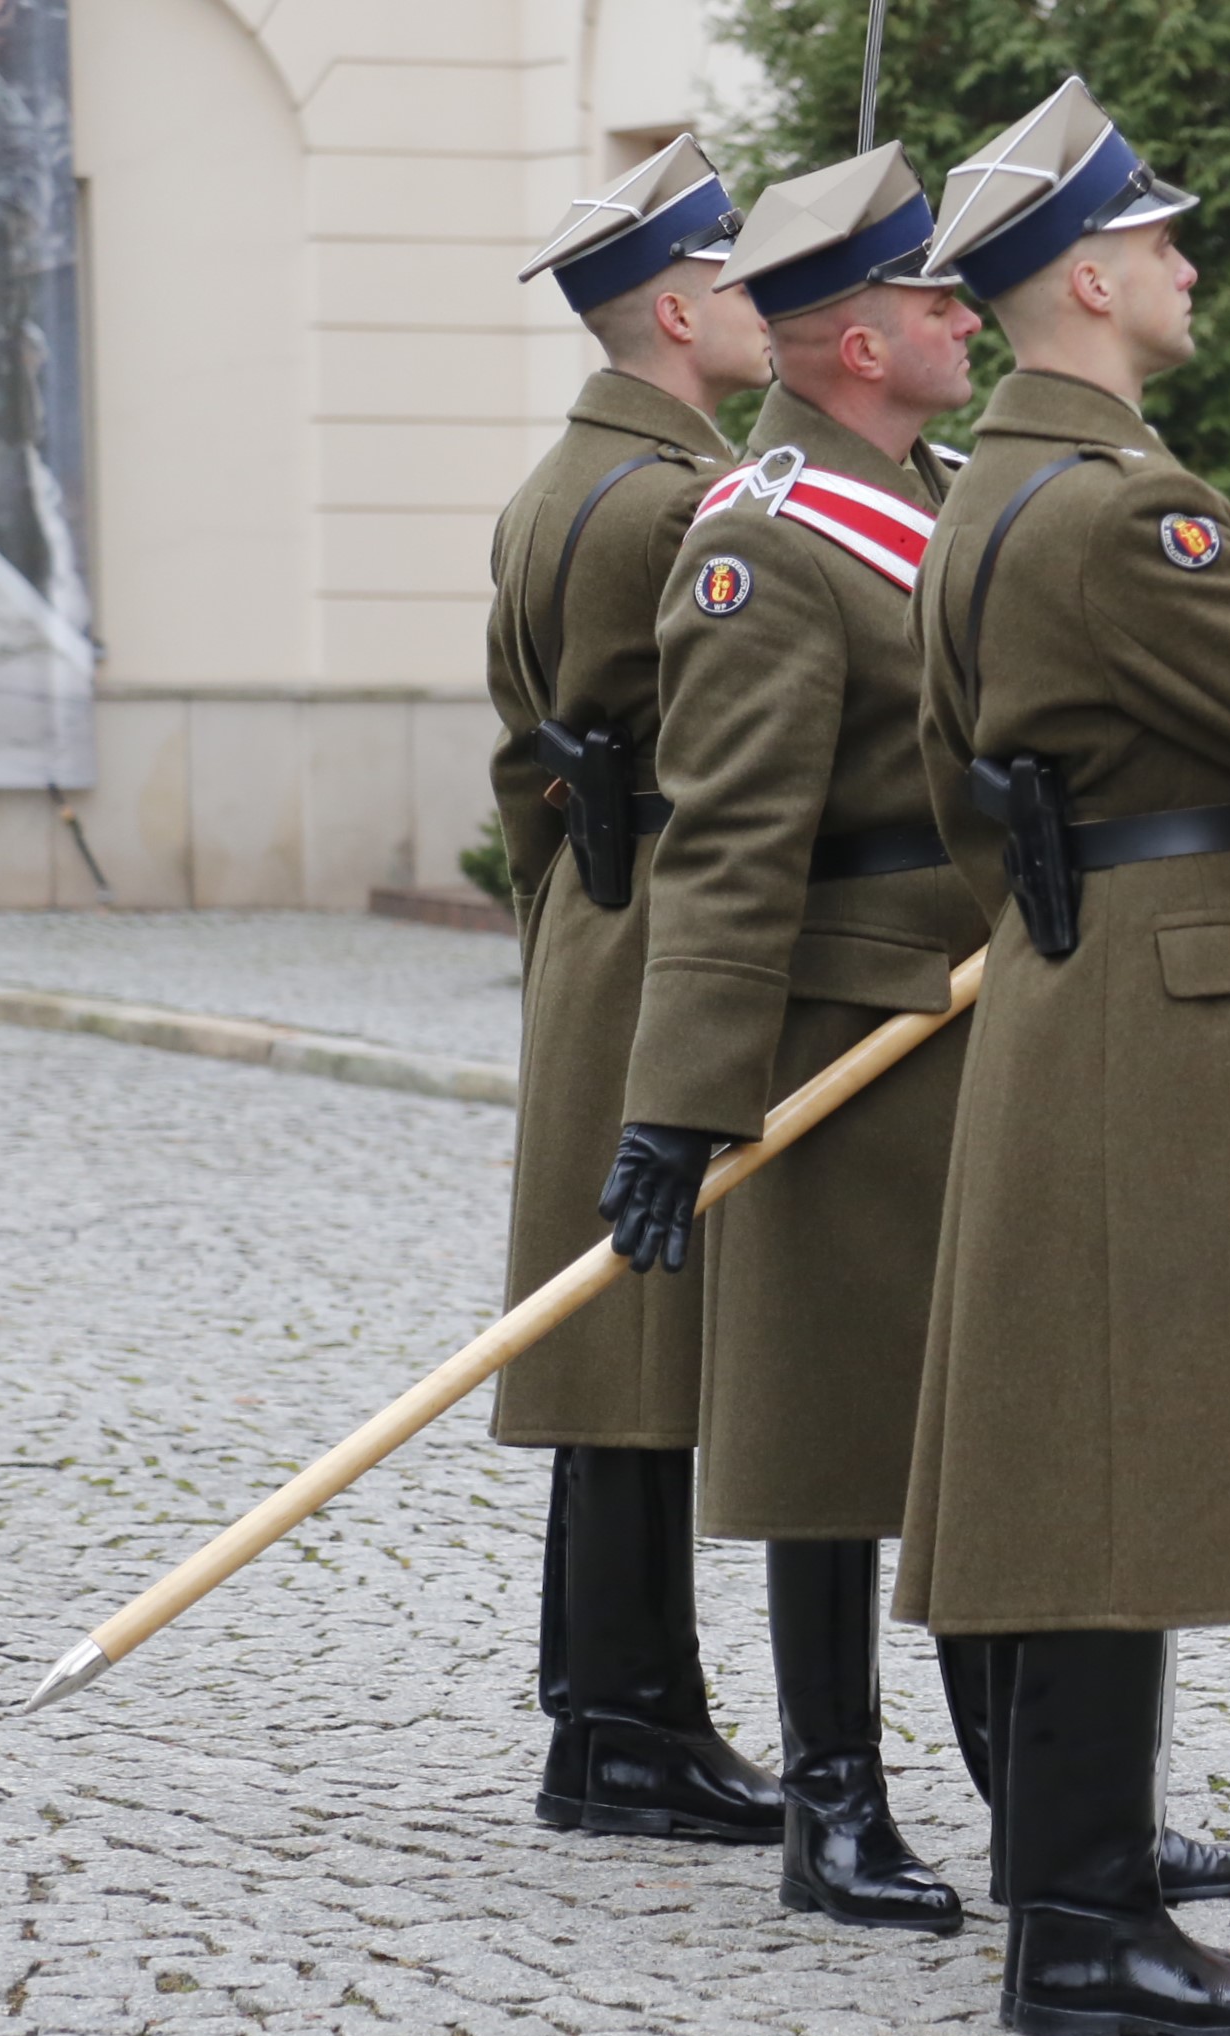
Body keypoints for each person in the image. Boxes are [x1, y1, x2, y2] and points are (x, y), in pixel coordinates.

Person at [901, 77, 1230, 2036]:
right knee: (1118, 1467)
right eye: (1161, 242)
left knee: (1075, 1448)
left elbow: (959, 792)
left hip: (1073, 978)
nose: (1190, 264)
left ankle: (1077, 1891)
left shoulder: (987, 493)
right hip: (1163, 1007)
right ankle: (1085, 1927)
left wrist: (1068, 907)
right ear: (1091, 281)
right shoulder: (1129, 510)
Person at [590, 144, 992, 1934]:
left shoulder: (950, 493)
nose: (966, 315)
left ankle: (1047, 1795)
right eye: (931, 298)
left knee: (998, 1417)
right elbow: (732, 843)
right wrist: (682, 1101)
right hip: (842, 1032)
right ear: (854, 344)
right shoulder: (760, 539)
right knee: (830, 1437)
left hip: (985, 1011)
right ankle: (835, 1802)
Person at [487, 135, 784, 1852]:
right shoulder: (688, 504)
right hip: (677, 915)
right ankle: (625, 1724)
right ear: (676, 310)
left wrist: (573, 900)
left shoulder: (555, 485)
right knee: (642, 1332)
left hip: (597, 914)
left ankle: (610, 1704)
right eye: (737, 276)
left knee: (613, 1326)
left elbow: (517, 761)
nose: (762, 304)